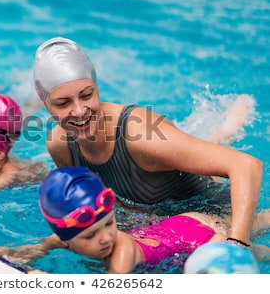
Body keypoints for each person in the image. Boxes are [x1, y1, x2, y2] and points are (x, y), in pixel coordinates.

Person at [31, 36, 263, 247]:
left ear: (97, 87)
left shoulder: (141, 136)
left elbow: (246, 166)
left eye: (87, 95)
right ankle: (221, 133)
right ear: (45, 103)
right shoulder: (60, 146)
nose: (79, 111)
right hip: (159, 220)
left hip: (210, 209)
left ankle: (229, 131)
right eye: (63, 103)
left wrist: (237, 245)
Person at [0, 167, 269, 274]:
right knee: (257, 222)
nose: (105, 238)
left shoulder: (122, 251)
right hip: (181, 224)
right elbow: (37, 249)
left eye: (108, 224)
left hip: (201, 241)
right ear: (66, 238)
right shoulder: (61, 239)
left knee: (255, 255)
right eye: (90, 236)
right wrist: (5, 253)